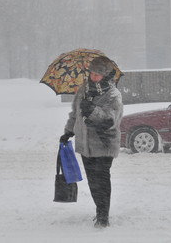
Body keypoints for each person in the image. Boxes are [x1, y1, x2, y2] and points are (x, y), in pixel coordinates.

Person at [60, 56, 123, 228]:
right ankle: (99, 210)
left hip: (104, 145)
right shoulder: (83, 91)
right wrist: (68, 131)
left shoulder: (113, 95)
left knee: (102, 180)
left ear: (106, 75)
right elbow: (75, 114)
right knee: (92, 181)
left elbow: (111, 120)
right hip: (85, 145)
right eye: (92, 73)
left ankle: (103, 216)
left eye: (98, 74)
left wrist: (93, 110)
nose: (94, 77)